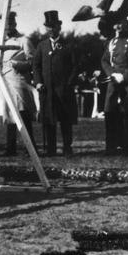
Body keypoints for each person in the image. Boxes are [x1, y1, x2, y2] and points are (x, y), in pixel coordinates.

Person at [33, 10, 78, 156]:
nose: (51, 29)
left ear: (59, 27)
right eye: (48, 27)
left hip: (64, 90)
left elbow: (75, 66)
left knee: (66, 120)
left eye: (53, 26)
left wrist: (69, 84)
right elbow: (36, 66)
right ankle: (50, 149)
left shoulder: (68, 45)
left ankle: (67, 148)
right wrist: (38, 82)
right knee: (49, 120)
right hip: (47, 90)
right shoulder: (42, 46)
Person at [0, 11, 38, 156]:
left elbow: (33, 62)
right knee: (9, 114)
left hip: (19, 82)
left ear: (14, 24)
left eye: (9, 24)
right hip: (5, 82)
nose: (7, 28)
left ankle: (31, 148)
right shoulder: (2, 42)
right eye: (4, 25)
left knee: (23, 114)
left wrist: (18, 64)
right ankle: (11, 148)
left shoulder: (24, 41)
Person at [101, 19, 128, 155]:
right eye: (116, 24)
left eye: (121, 24)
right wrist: (111, 73)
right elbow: (104, 60)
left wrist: (125, 76)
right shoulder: (111, 42)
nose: (118, 27)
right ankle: (111, 145)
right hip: (113, 81)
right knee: (110, 111)